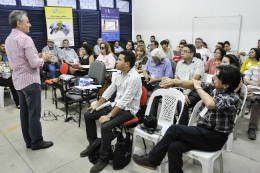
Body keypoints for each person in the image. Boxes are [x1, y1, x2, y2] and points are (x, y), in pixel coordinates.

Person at [132, 64, 241, 173]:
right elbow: (193, 84)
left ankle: (152, 160)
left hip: (215, 138)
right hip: (203, 132)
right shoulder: (215, 88)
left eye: (216, 77)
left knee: (174, 129)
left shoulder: (232, 98)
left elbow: (210, 103)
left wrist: (198, 87)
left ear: (226, 85)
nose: (212, 78)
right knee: (174, 146)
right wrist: (173, 82)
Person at [81, 50, 142, 173]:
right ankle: (93, 145)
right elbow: (111, 89)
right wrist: (97, 105)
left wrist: (109, 115)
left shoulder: (134, 78)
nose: (117, 61)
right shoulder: (119, 73)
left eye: (119, 59)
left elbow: (125, 101)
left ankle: (104, 158)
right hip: (116, 105)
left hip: (128, 110)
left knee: (106, 126)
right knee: (89, 114)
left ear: (127, 64)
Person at [5, 10, 53, 150]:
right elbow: (34, 64)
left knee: (24, 113)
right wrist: (43, 59)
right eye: (27, 22)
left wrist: (37, 55)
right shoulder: (25, 39)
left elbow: (20, 58)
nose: (30, 24)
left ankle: (28, 141)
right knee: (34, 114)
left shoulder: (9, 39)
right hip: (30, 81)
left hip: (18, 82)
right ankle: (37, 142)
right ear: (19, 23)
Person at [175, 44, 205, 125]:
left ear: (192, 54)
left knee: (182, 103)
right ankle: (172, 124)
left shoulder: (198, 62)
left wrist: (186, 93)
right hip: (180, 89)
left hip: (194, 90)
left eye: (185, 51)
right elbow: (176, 79)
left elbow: (194, 81)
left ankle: (183, 129)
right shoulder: (179, 63)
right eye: (181, 51)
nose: (182, 53)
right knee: (166, 98)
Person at [143, 48, 173, 116]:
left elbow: (168, 77)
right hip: (149, 81)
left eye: (156, 60)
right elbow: (144, 70)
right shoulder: (150, 59)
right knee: (140, 90)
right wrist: (146, 76)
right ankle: (142, 114)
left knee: (155, 95)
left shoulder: (167, 62)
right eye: (153, 60)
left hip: (160, 83)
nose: (154, 62)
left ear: (161, 58)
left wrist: (155, 80)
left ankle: (151, 118)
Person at [241, 64, 260, 140]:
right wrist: (255, 85)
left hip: (259, 91)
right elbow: (245, 81)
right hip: (249, 90)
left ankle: (252, 128)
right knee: (239, 91)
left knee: (257, 103)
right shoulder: (253, 68)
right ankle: (255, 97)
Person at [0, 42, 20, 108]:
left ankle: (18, 103)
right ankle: (8, 86)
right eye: (2, 46)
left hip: (8, 77)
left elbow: (11, 68)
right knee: (12, 82)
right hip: (1, 79)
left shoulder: (8, 58)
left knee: (12, 82)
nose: (4, 48)